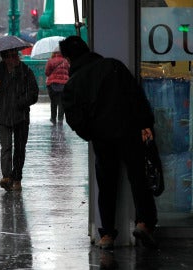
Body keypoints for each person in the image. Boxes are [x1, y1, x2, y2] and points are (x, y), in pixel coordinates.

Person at [59, 35, 157, 249]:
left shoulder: (73, 84)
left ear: (68, 59)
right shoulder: (113, 65)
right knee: (138, 177)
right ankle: (144, 223)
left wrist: (92, 133)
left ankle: (107, 236)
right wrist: (145, 123)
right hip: (129, 131)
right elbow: (135, 96)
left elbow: (75, 119)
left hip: (102, 138)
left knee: (107, 185)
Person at [0, 49, 39, 192]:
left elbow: (33, 94)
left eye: (15, 55)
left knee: (19, 148)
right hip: (3, 115)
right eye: (10, 56)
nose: (15, 58)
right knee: (6, 147)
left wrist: (19, 102)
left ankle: (17, 178)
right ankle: (6, 177)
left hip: (20, 116)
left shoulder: (25, 71)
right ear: (5, 59)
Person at [45, 49, 70, 125]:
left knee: (53, 102)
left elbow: (47, 73)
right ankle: (60, 119)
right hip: (64, 84)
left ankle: (53, 118)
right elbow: (69, 71)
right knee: (61, 102)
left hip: (52, 84)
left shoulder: (51, 61)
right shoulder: (66, 61)